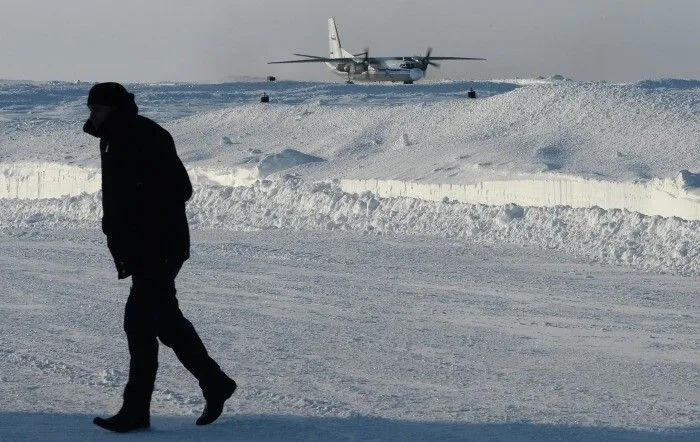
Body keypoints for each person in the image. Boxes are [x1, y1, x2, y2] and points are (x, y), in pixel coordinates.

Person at [83, 82, 236, 433]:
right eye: (90, 108)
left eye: (98, 109)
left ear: (116, 109)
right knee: (165, 322)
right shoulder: (112, 138)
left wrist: (140, 212)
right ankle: (215, 383)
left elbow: (181, 188)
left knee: (137, 325)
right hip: (141, 248)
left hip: (159, 247)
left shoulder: (147, 136)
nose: (92, 115)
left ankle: (136, 410)